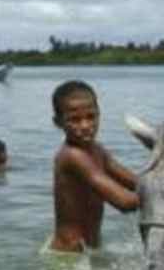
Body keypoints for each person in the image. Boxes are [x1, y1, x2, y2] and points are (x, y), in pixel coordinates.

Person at [49, 80, 139, 253]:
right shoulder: (72, 156)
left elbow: (137, 183)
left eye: (91, 117)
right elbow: (124, 202)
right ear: (58, 122)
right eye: (74, 120)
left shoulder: (98, 150)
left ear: (99, 115)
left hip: (89, 251)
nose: (85, 126)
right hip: (69, 257)